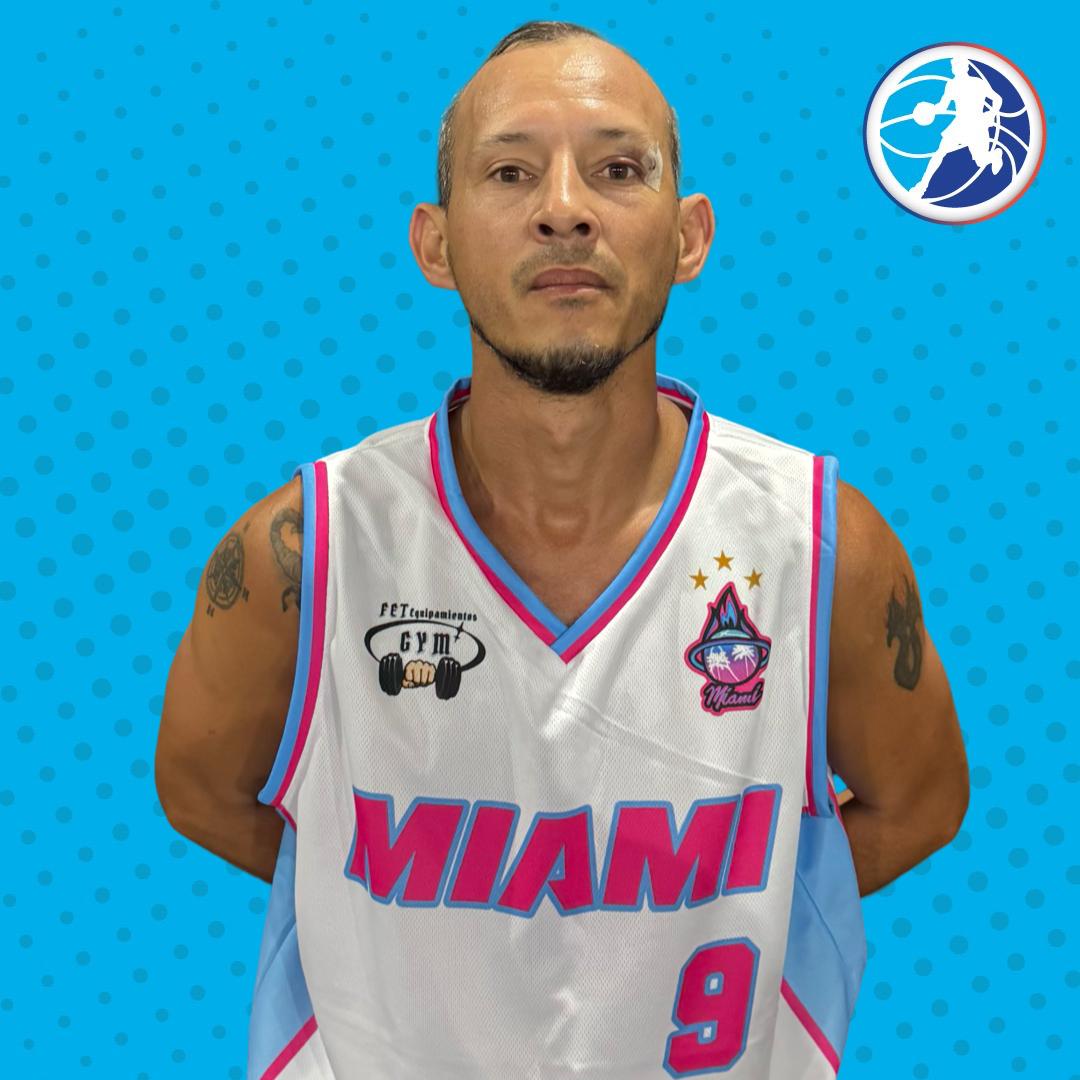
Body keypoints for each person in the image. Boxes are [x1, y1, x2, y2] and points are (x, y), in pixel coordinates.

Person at [155, 20, 969, 1079]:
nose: (566, 208)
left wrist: (723, 912)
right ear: (435, 244)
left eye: (618, 170)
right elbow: (201, 793)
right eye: (510, 172)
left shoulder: (819, 544)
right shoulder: (300, 554)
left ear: (689, 237)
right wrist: (405, 934)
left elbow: (921, 804)